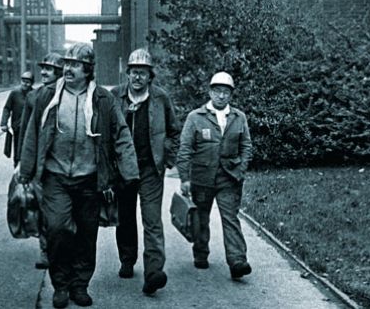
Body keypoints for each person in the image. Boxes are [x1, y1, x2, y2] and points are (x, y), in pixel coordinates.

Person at [19, 43, 139, 308]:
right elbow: (32, 134)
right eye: (67, 63)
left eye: (74, 64)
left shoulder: (103, 100)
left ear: (87, 70)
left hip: (90, 179)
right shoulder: (48, 95)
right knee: (58, 229)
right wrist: (26, 170)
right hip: (55, 176)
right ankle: (60, 285)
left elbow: (120, 134)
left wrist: (129, 172)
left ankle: (80, 285)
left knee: (87, 234)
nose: (68, 68)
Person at [110, 48, 180, 295]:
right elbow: (106, 132)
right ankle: (127, 260)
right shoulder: (115, 97)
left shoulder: (160, 98)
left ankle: (153, 272)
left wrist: (167, 158)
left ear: (150, 76)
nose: (138, 77)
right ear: (127, 74)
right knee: (125, 217)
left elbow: (174, 130)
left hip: (151, 169)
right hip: (123, 169)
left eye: (143, 73)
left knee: (152, 220)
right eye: (134, 72)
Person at [177, 71, 253, 280]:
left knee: (230, 218)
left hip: (229, 177)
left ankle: (237, 260)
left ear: (231, 95)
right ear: (210, 92)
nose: (221, 96)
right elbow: (185, 149)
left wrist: (241, 169)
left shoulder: (239, 117)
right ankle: (201, 253)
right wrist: (185, 178)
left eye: (226, 92)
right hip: (202, 177)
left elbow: (246, 146)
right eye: (217, 91)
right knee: (201, 218)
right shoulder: (195, 117)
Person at [18, 52, 64, 270]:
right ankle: (46, 251)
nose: (44, 72)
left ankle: (59, 249)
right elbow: (27, 132)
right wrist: (21, 163)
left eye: (49, 69)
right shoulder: (34, 97)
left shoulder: (67, 94)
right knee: (42, 209)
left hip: (61, 162)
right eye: (43, 68)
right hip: (39, 164)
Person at [0, 71, 34, 165]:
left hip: (29, 128)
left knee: (29, 149)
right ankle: (17, 168)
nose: (25, 84)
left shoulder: (34, 94)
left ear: (31, 83)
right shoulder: (15, 93)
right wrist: (3, 123)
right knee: (17, 150)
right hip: (17, 127)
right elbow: (7, 108)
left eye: (28, 81)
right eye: (23, 81)